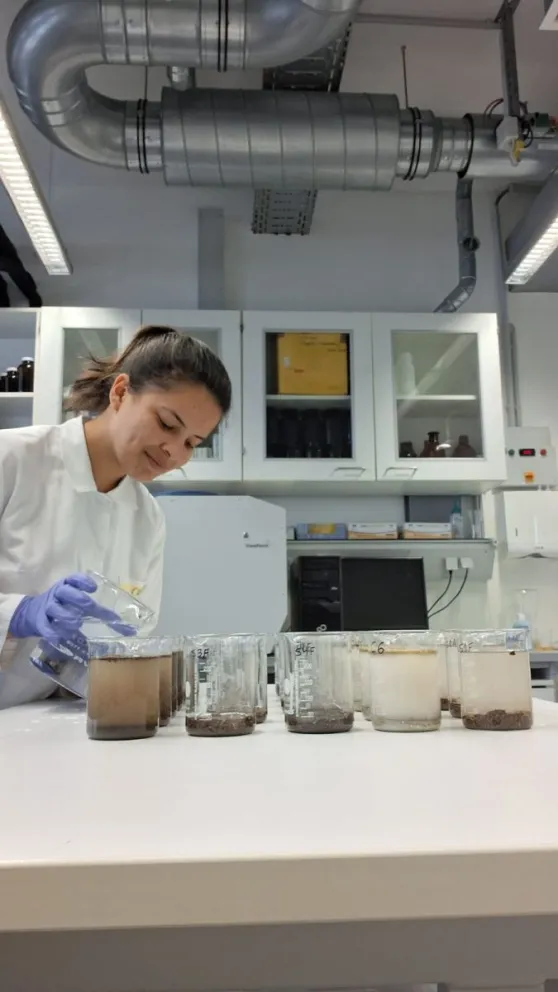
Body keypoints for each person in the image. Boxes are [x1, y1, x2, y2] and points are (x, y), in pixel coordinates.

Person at [0, 324, 232, 708]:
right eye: (167, 424)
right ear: (121, 392)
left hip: (36, 719)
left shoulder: (147, 518)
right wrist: (18, 613)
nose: (174, 452)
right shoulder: (12, 459)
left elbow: (134, 634)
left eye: (192, 443)